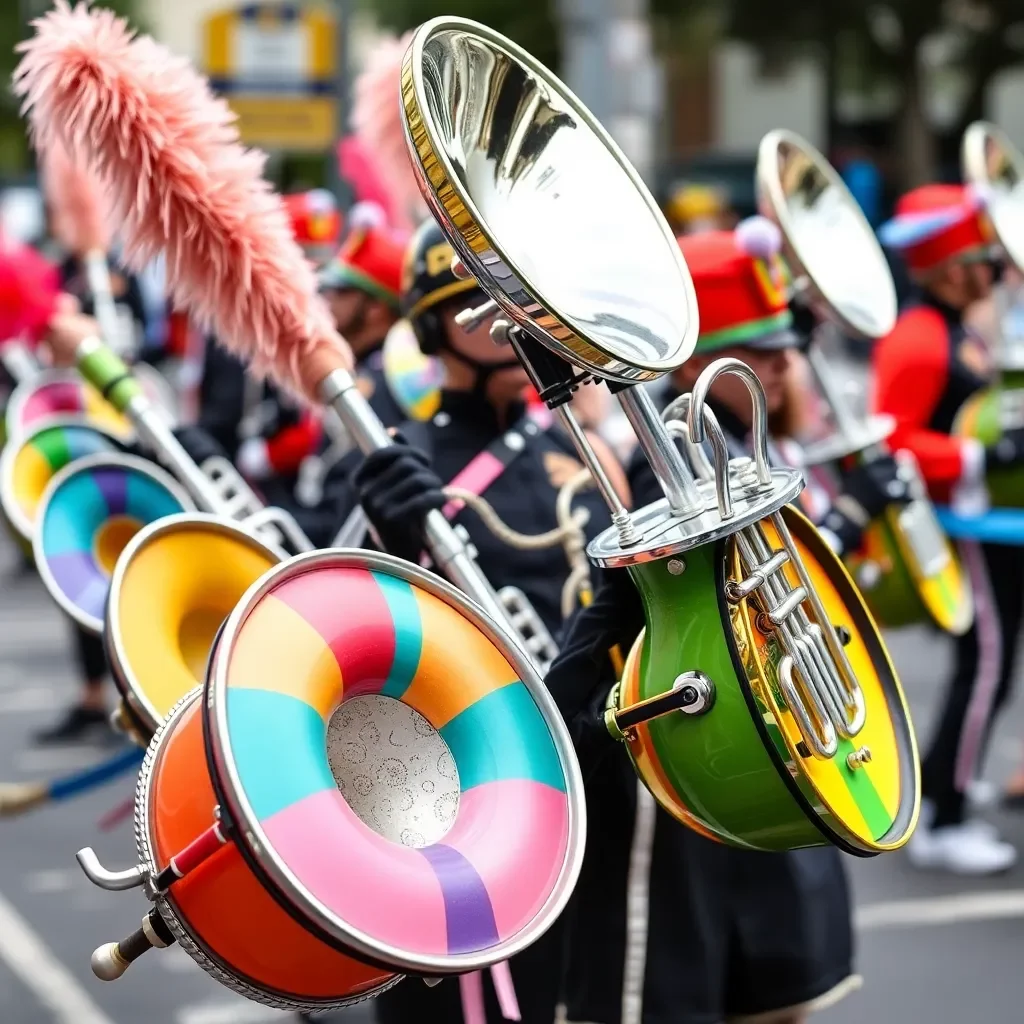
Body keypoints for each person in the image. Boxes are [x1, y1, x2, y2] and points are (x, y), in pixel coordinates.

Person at [547, 220, 890, 1024]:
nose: (783, 364)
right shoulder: (662, 453)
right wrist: (852, 520)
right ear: (697, 362)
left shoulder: (745, 437)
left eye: (781, 348)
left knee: (784, 982)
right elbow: (746, 599)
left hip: (784, 730)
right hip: (719, 742)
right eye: (761, 352)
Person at [336, 217, 627, 1024]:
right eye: (483, 310)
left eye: (523, 304)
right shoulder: (403, 458)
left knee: (594, 986)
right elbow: (351, 628)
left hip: (591, 758)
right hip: (461, 786)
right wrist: (388, 538)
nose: (515, 324)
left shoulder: (578, 445)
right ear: (435, 329)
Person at [874, 184, 1022, 874]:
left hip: (989, 524)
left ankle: (949, 783)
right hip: (962, 527)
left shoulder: (957, 328)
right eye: (978, 257)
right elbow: (888, 439)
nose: (991, 269)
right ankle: (944, 815)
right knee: (984, 667)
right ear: (945, 266)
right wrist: (978, 455)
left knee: (988, 667)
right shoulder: (920, 337)